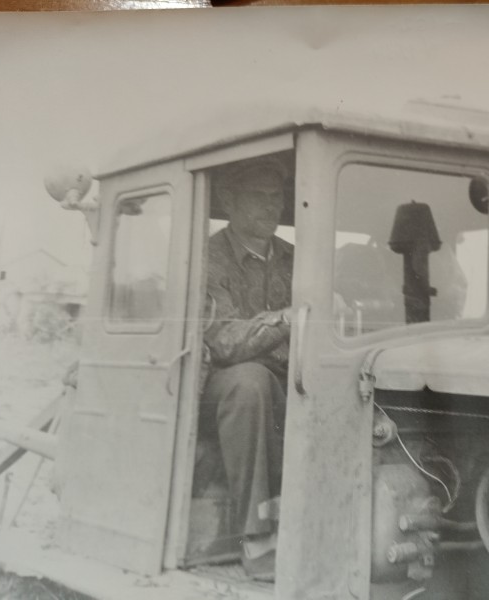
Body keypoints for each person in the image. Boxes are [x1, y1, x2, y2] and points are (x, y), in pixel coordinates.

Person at [200, 161, 293, 578]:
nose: (271, 206)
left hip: (286, 378)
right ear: (228, 199)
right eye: (259, 196)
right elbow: (223, 340)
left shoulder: (297, 259)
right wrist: (287, 321)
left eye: (277, 197)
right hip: (218, 390)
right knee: (250, 382)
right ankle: (256, 539)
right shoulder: (207, 259)